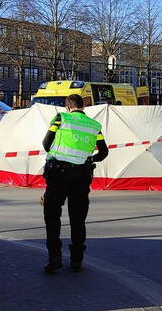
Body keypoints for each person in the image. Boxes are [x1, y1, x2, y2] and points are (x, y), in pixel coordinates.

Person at [41, 93, 110, 273]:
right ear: (82, 107)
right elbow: (103, 153)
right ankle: (77, 260)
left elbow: (46, 144)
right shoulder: (94, 126)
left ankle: (54, 258)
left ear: (67, 107)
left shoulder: (61, 118)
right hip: (82, 175)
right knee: (78, 218)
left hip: (59, 173)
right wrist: (88, 158)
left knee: (52, 215)